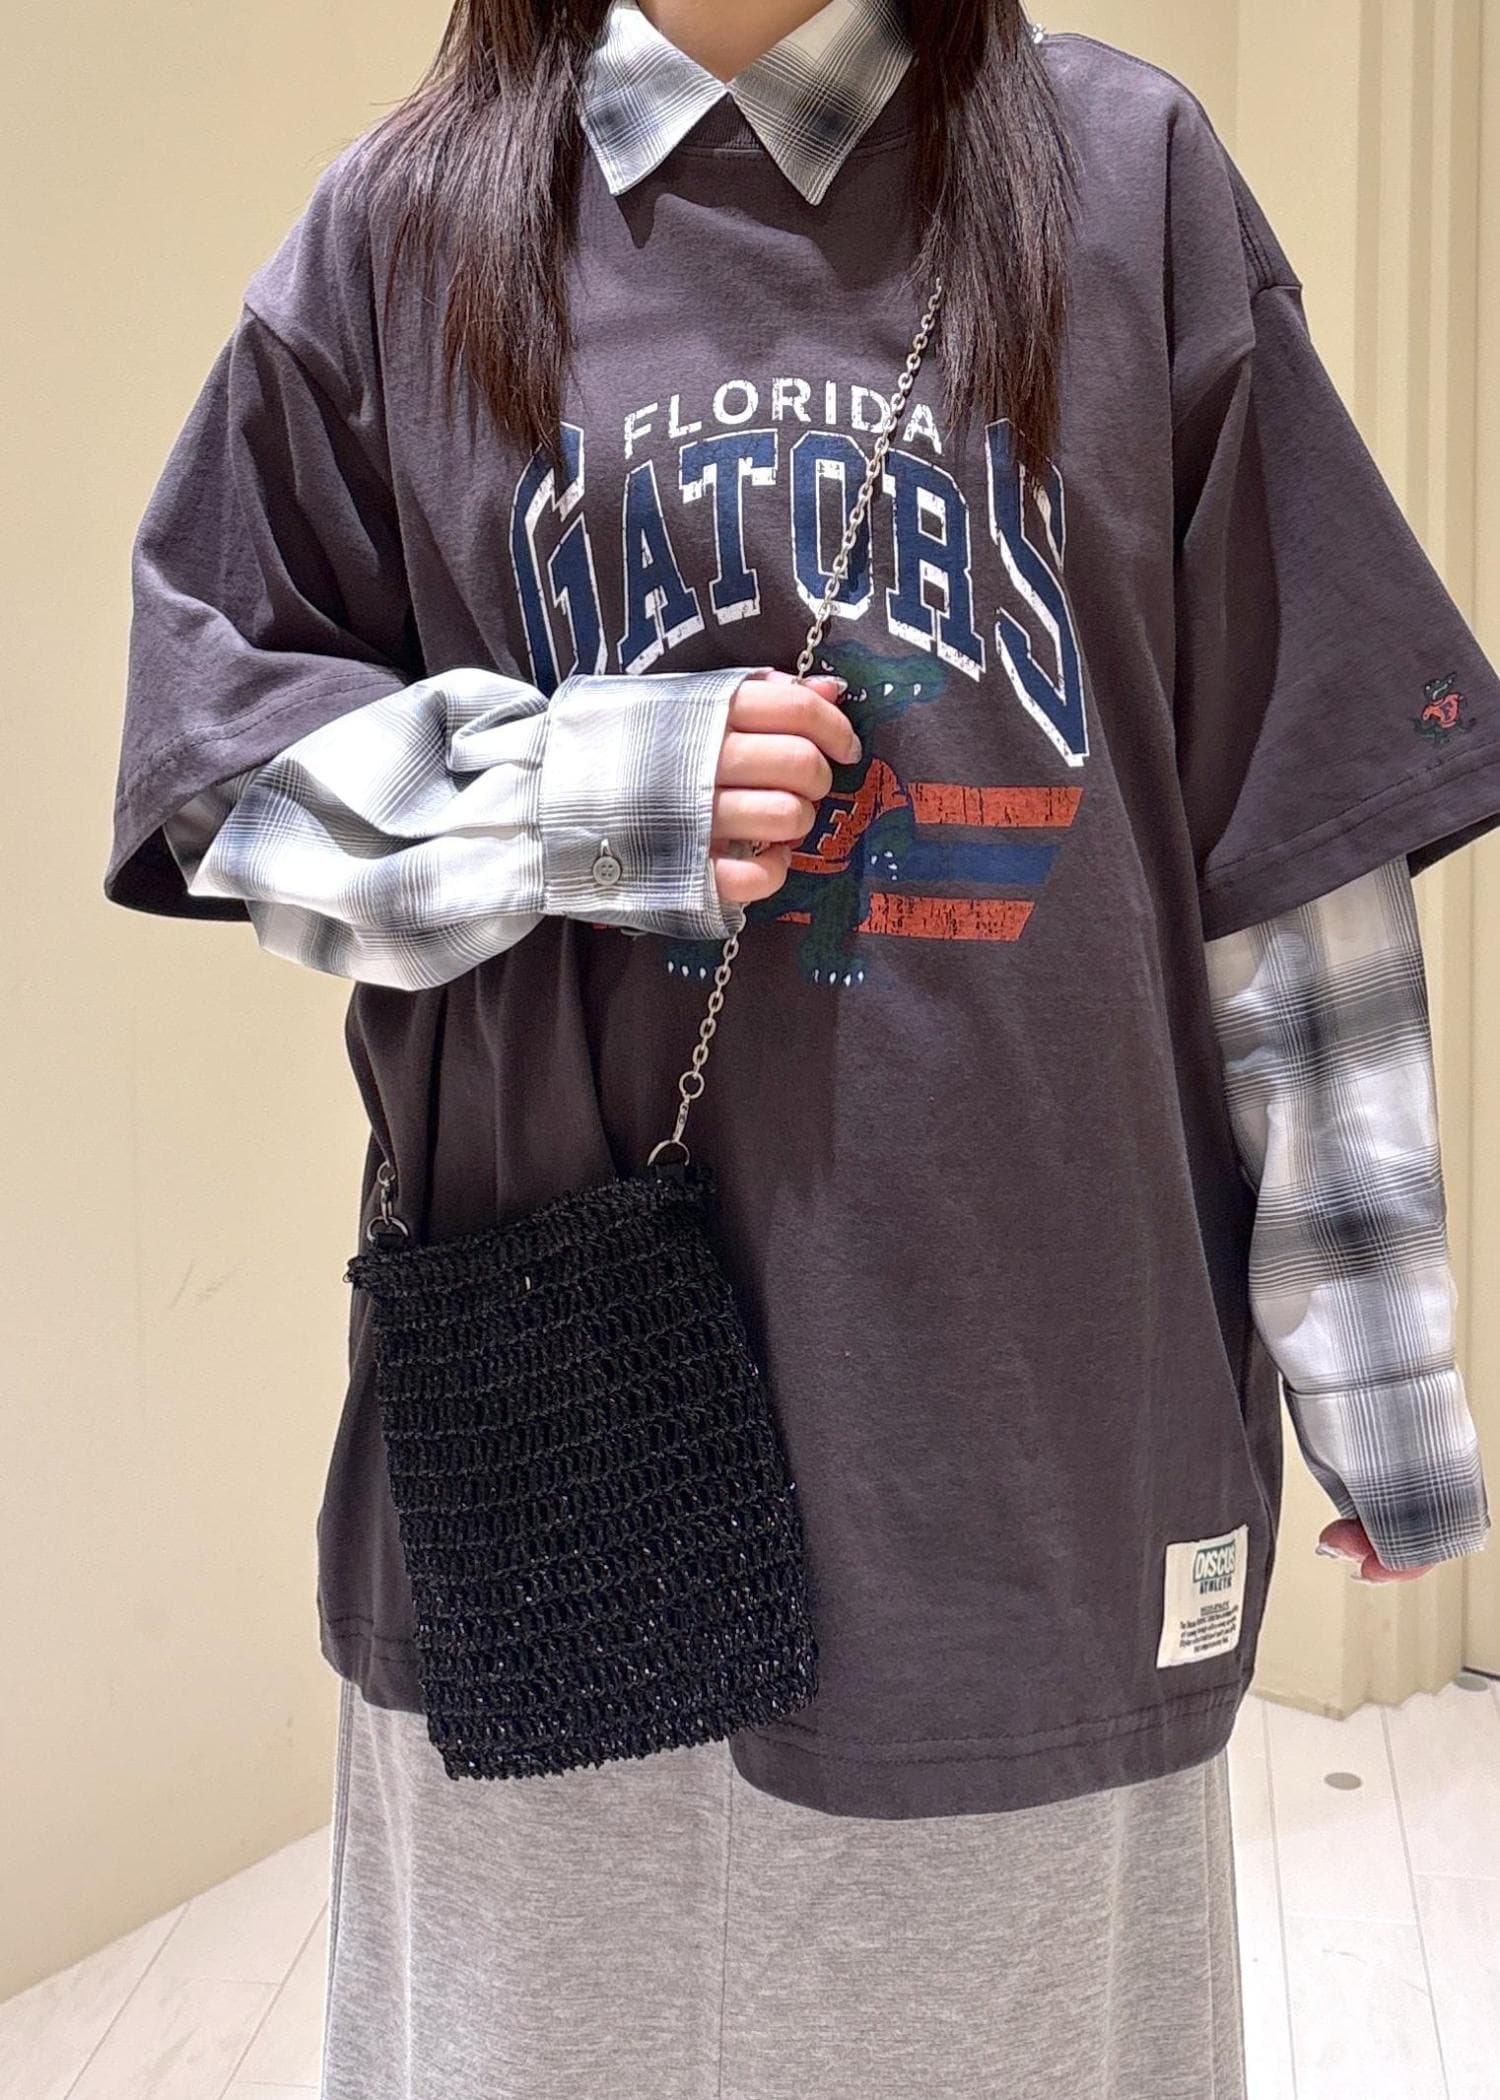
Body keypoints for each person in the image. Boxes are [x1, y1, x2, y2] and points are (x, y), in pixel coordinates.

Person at [103, 2, 1497, 2093]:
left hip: (1033, 1418)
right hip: (560, 1407)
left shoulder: (1123, 178)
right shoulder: (405, 225)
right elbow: (219, 777)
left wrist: (1377, 1370)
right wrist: (596, 793)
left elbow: (1290, 835)